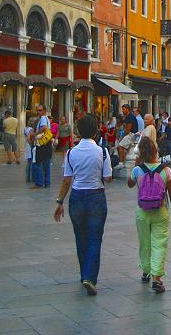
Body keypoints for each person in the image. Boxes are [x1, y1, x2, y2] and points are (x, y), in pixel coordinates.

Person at [54, 115, 113, 296]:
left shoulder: (72, 152)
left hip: (77, 197)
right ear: (96, 131)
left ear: (79, 131)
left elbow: (66, 180)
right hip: (96, 196)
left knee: (81, 237)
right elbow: (108, 178)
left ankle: (83, 275)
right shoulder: (102, 152)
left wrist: (59, 202)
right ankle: (90, 277)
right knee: (95, 238)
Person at [127, 136, 171, 293]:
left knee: (145, 243)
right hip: (160, 211)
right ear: (156, 151)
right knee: (159, 243)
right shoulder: (166, 170)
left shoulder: (138, 170)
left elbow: (129, 184)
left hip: (142, 212)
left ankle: (145, 270)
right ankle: (156, 278)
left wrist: (135, 166)